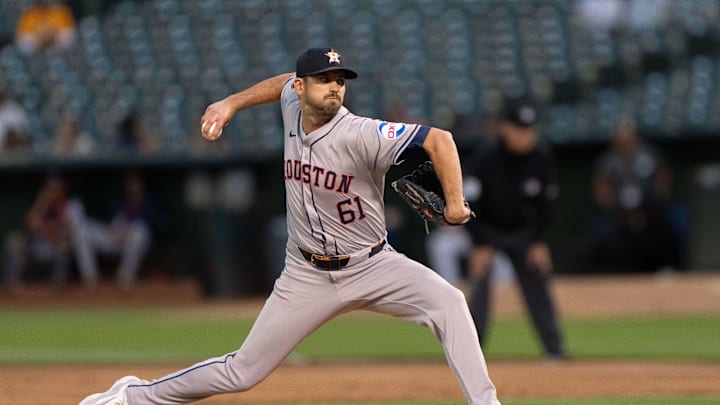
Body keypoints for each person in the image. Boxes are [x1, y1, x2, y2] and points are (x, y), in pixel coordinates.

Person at [79, 47, 501, 405]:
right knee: (242, 372)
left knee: (449, 302)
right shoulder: (291, 102)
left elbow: (439, 139)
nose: (334, 87)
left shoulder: (362, 134)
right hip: (306, 274)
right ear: (302, 89)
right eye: (323, 79)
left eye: (340, 79)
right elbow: (282, 81)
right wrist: (230, 103)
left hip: (374, 265)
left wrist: (455, 205)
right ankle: (132, 396)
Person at [465, 100, 567, 360]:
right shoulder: (485, 158)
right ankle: (470, 354)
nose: (525, 135)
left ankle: (555, 350)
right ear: (505, 128)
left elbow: (547, 206)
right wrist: (480, 243)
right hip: (488, 230)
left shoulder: (541, 158)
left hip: (524, 232)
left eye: (529, 129)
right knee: (479, 287)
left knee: (537, 280)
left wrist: (539, 241)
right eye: (519, 128)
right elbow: (470, 202)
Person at [583, 119, 681, 272]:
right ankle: (614, 271)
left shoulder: (649, 154)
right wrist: (612, 205)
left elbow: (663, 178)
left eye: (627, 139)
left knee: (663, 227)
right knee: (603, 231)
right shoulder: (608, 160)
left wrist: (656, 199)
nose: (625, 144)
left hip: (649, 208)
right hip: (618, 212)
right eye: (620, 140)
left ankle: (665, 267)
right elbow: (601, 186)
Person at [70, 171, 158, 290]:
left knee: (139, 231)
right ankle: (90, 279)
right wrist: (116, 228)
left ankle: (125, 279)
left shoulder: (150, 202)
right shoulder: (118, 200)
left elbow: (154, 224)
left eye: (137, 183)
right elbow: (108, 220)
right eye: (131, 184)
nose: (134, 187)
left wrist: (128, 228)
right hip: (114, 237)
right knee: (82, 231)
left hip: (136, 241)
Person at [2, 174, 77, 291]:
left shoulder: (66, 205)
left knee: (64, 246)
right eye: (50, 188)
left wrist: (46, 229)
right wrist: (43, 202)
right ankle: (12, 283)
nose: (53, 192)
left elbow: (63, 231)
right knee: (14, 241)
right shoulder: (41, 203)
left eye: (56, 189)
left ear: (62, 190)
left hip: (54, 247)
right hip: (36, 245)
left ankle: (58, 285)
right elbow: (31, 223)